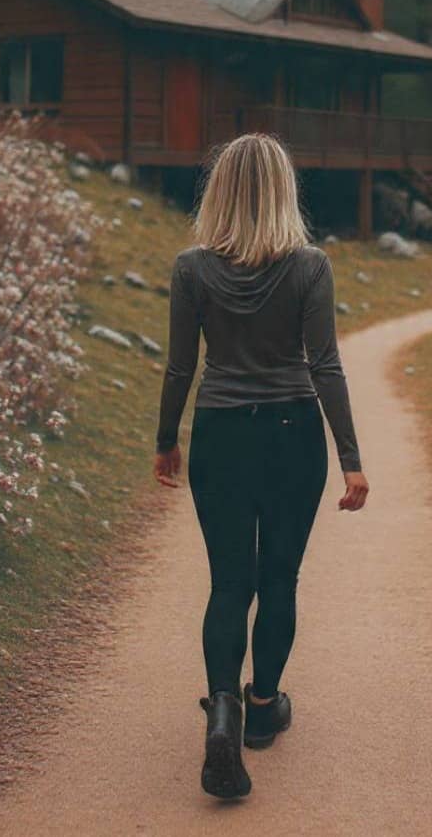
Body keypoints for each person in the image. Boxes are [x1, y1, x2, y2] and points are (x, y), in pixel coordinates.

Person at [153, 132, 369, 800]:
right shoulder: (310, 266)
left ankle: (223, 709)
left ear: (220, 191)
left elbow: (181, 365)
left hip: (220, 433)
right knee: (279, 576)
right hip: (292, 433)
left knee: (228, 583)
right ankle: (265, 703)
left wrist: (166, 439)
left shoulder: (192, 268)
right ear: (284, 191)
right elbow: (324, 365)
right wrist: (351, 460)